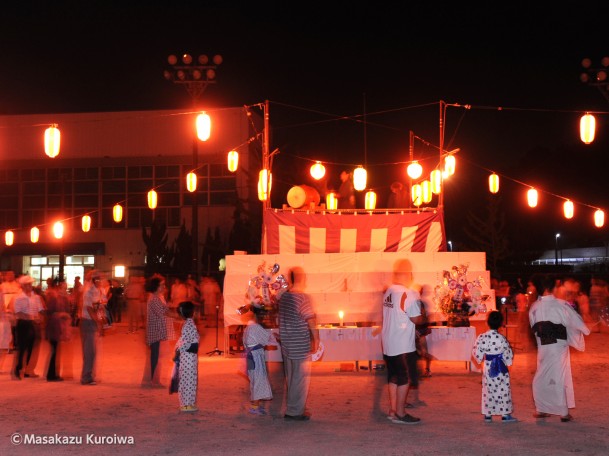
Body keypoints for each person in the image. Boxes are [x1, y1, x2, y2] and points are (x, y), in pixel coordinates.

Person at [529, 274, 591, 422]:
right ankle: (563, 412)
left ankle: (541, 408)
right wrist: (585, 330)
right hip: (558, 345)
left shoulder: (534, 307)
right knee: (559, 376)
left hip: (543, 344)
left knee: (542, 375)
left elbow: (533, 326)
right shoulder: (561, 305)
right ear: (552, 287)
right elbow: (574, 320)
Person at [380, 259, 423, 424]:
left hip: (388, 341)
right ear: (408, 274)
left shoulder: (389, 291)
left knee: (393, 377)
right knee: (405, 378)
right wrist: (423, 314)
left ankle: (392, 410)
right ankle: (400, 412)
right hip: (402, 343)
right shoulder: (408, 293)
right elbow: (415, 319)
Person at [276, 266, 319, 421]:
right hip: (299, 343)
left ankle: (295, 406)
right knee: (300, 379)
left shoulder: (284, 297)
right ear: (301, 278)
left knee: (291, 377)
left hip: (287, 343)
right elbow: (311, 320)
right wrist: (316, 339)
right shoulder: (302, 297)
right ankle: (295, 411)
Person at [472, 310, 517, 423]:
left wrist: (480, 358)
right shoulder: (502, 339)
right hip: (501, 367)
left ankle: (488, 414)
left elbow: (476, 351)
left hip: (488, 366)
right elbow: (508, 353)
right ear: (501, 323)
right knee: (503, 389)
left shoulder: (482, 337)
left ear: (487, 323)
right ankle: (505, 414)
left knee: (488, 389)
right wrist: (508, 362)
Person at [143, 274, 176, 388]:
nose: (164, 287)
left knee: (157, 356)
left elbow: (166, 310)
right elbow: (164, 313)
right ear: (156, 286)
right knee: (156, 356)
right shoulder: (154, 298)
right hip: (155, 331)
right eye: (162, 285)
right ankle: (154, 380)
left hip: (159, 331)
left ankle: (155, 380)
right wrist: (180, 317)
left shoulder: (158, 297)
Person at [12, 275, 45, 380]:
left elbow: (40, 310)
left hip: (33, 324)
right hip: (23, 324)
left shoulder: (36, 297)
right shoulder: (19, 298)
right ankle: (18, 370)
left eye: (31, 284)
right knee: (22, 348)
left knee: (31, 348)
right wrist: (32, 318)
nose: (30, 286)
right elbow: (18, 313)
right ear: (23, 286)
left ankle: (27, 370)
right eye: (28, 284)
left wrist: (40, 317)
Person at [170, 301, 200, 413]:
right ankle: (186, 404)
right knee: (188, 380)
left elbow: (182, 341)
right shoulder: (189, 325)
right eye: (196, 311)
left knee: (189, 380)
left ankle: (189, 403)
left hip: (189, 357)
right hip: (188, 357)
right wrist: (178, 352)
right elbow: (185, 343)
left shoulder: (188, 323)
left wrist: (178, 350)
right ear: (192, 312)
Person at [243, 305, 273, 415]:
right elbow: (267, 338)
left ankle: (255, 405)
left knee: (254, 380)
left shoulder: (248, 327)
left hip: (251, 356)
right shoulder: (255, 327)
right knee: (258, 380)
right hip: (256, 357)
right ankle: (254, 407)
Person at [80, 272, 106, 385]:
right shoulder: (89, 292)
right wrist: (98, 321)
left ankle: (91, 375)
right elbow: (89, 309)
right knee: (89, 351)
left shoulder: (101, 291)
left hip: (94, 322)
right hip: (88, 322)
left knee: (93, 351)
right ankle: (86, 377)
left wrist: (103, 320)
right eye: (99, 279)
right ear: (94, 280)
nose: (102, 281)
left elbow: (101, 306)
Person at [45, 278, 72, 381]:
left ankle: (53, 374)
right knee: (54, 351)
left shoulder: (62, 298)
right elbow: (50, 312)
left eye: (65, 288)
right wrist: (62, 315)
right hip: (54, 327)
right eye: (62, 287)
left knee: (56, 351)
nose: (64, 290)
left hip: (58, 327)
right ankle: (51, 375)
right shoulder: (54, 298)